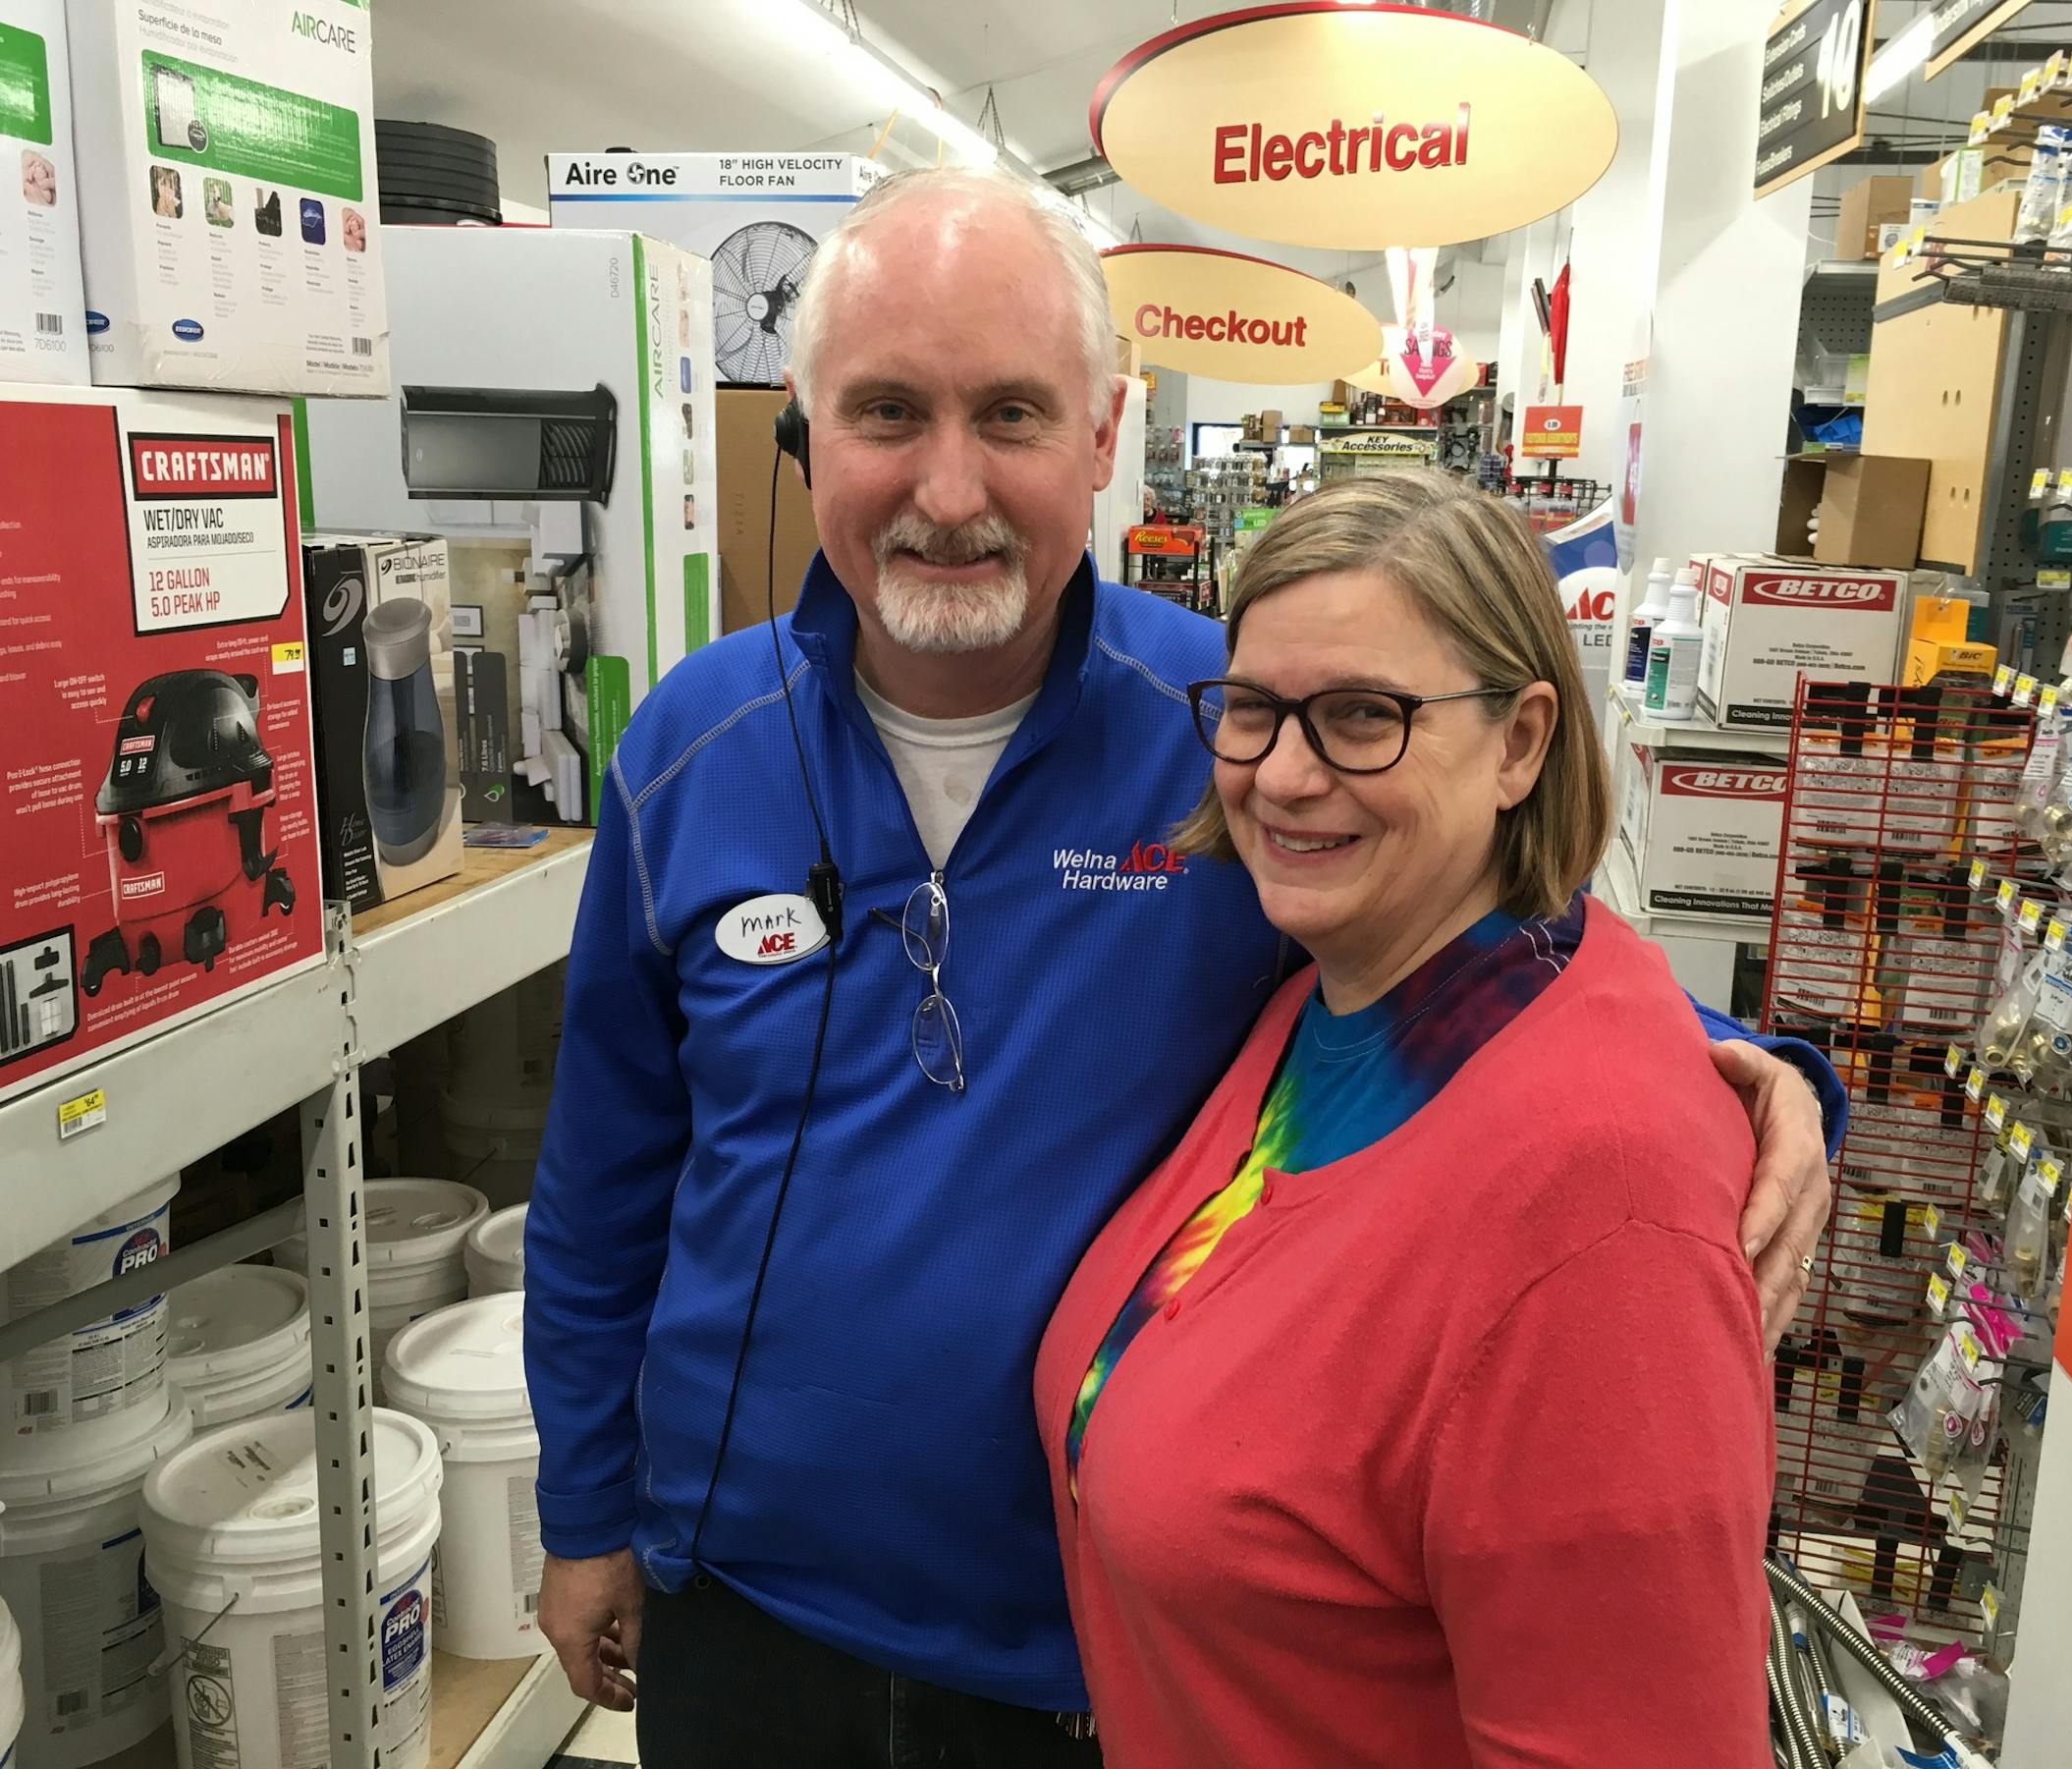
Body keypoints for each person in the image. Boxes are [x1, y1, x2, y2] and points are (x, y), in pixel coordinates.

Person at [523, 166, 1842, 1768]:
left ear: (1103, 436)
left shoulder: (1229, 728)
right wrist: (585, 1508)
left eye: (1012, 413)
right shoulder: (693, 743)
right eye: (887, 413)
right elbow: (603, 1178)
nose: (948, 487)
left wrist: (1755, 1077)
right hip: (748, 1612)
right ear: (808, 432)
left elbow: (1485, 947)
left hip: (1086, 1651)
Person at [1037, 474, 1773, 1766]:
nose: (1284, 775)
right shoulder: (1326, 1003)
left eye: (1363, 717)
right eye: (1253, 709)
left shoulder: (1604, 1212)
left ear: (1521, 741)